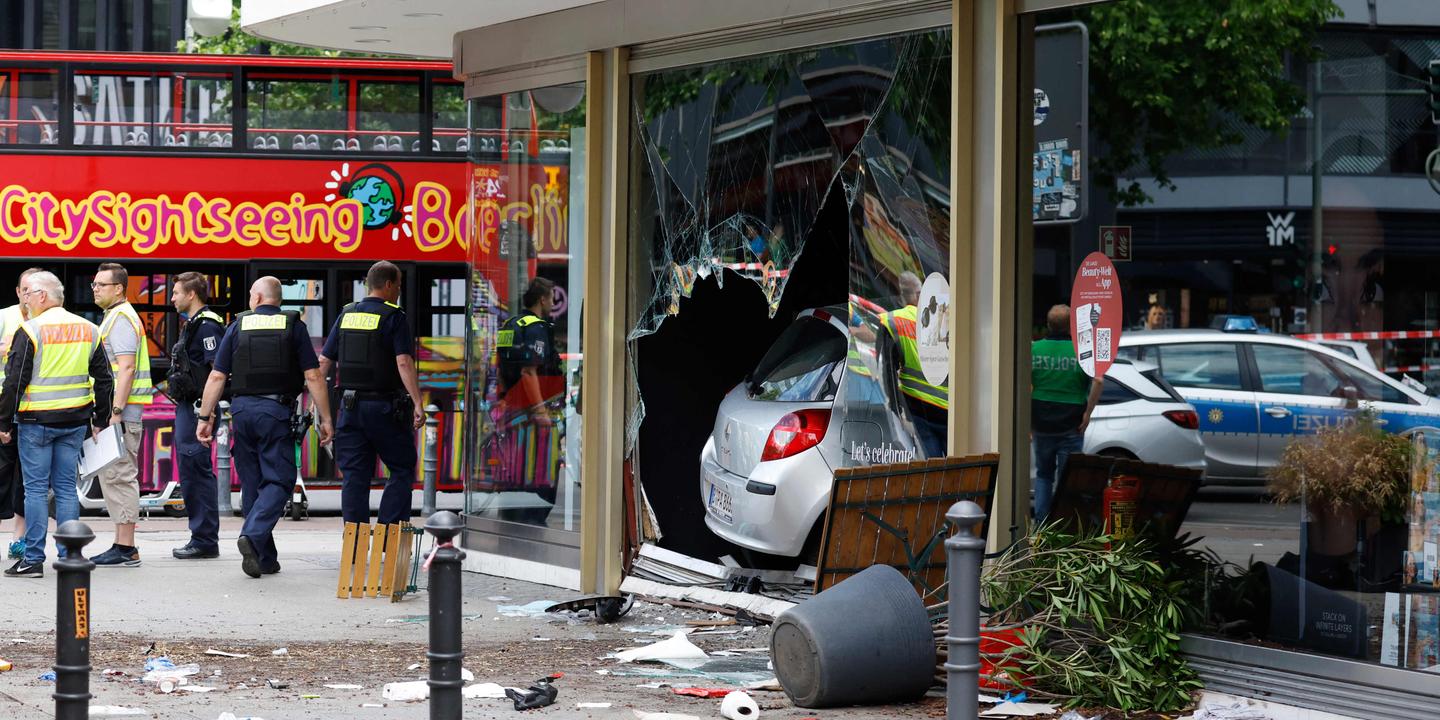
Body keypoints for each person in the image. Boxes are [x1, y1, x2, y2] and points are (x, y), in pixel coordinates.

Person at [195, 276, 333, 578]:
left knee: (253, 483)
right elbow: (313, 376)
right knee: (281, 481)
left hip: (242, 412)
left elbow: (217, 377)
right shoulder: (294, 326)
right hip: (275, 412)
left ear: (256, 298)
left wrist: (205, 419)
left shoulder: (238, 326)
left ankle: (265, 558)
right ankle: (253, 534)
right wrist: (326, 419)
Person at [0, 271, 114, 578]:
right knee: (65, 489)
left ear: (42, 296)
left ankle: (33, 559)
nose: (25, 300)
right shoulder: (89, 329)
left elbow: (15, 381)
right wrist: (100, 418)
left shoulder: (32, 330)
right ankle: (70, 556)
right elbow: (104, 378)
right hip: (75, 420)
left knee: (35, 491)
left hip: (36, 422)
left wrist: (4, 422)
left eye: (28, 295)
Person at [318, 261, 424, 527]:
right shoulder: (394, 316)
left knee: (354, 475)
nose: (399, 291)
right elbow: (403, 362)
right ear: (388, 285)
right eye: (398, 285)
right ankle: (388, 534)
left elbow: (323, 362)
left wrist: (320, 408)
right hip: (385, 408)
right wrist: (418, 403)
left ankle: (355, 541)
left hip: (350, 408)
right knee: (401, 467)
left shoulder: (346, 314)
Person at [90, 263, 153, 567]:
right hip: (121, 411)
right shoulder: (114, 317)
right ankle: (122, 544)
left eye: (102, 284)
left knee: (120, 475)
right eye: (94, 284)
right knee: (114, 477)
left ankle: (126, 547)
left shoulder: (122, 319)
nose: (95, 289)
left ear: (118, 288)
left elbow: (125, 368)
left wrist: (114, 412)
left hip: (122, 413)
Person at [167, 272, 227, 560]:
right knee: (190, 472)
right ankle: (200, 536)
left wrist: (207, 411)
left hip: (197, 409)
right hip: (191, 407)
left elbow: (216, 370)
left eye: (177, 292)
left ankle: (204, 539)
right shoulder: (193, 325)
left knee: (196, 472)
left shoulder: (207, 327)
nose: (172, 297)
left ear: (192, 294)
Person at [494, 277, 563, 522]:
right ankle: (533, 519)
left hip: (512, 411)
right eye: (551, 297)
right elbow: (529, 371)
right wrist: (541, 412)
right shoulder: (536, 327)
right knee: (542, 470)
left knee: (516, 468)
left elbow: (501, 368)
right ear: (542, 299)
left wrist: (503, 397)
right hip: (533, 415)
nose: (553, 302)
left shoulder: (510, 324)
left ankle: (515, 518)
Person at [1030, 304, 1104, 523]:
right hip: (1072, 423)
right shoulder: (1081, 351)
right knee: (1068, 479)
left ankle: (1041, 526)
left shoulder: (1034, 349)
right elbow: (1099, 381)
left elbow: (1025, 386)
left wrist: (1027, 422)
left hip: (1042, 422)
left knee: (1043, 475)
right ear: (1071, 326)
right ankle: (1064, 526)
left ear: (1048, 325)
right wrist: (1088, 414)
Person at [877, 271, 949, 458]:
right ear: (919, 295)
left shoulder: (893, 321)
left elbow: (887, 371)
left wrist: (895, 411)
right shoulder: (943, 320)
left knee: (930, 469)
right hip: (950, 409)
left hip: (918, 409)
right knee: (955, 471)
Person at [0, 268, 42, 561]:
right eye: (25, 289)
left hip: (34, 411)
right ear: (18, 292)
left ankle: (19, 538)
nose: (29, 295)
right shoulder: (4, 317)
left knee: (26, 479)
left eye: (35, 289)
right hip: (3, 404)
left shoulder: (49, 321)